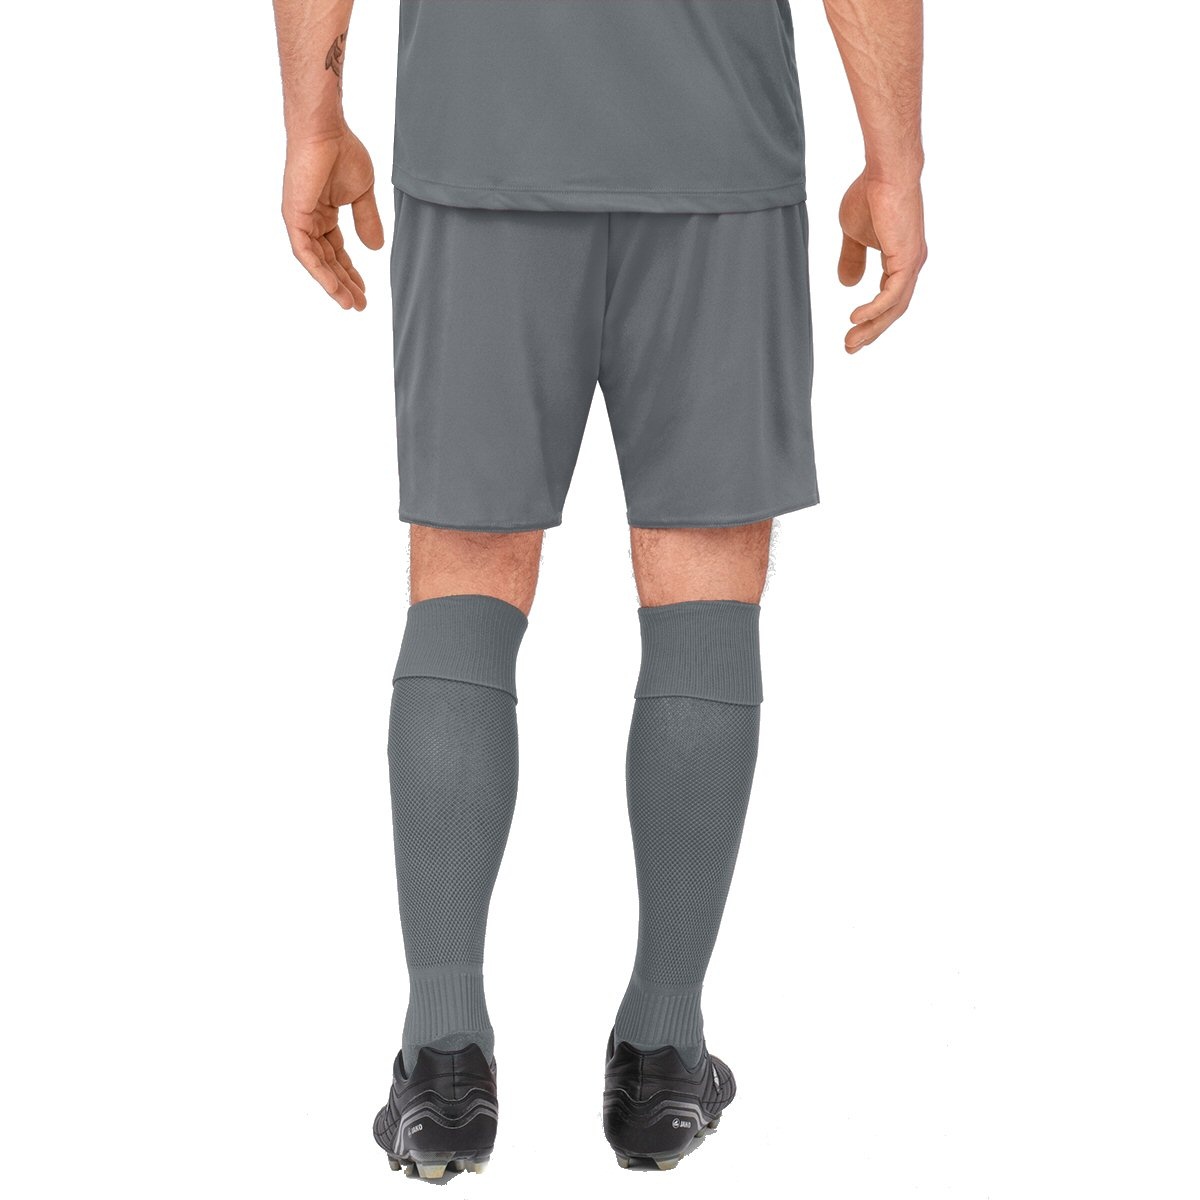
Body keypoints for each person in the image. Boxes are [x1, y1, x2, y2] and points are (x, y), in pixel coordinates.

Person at [273, 0, 926, 1178]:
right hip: (717, 145)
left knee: (466, 575)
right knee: (704, 584)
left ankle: (443, 1059)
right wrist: (896, 159)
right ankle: (665, 1053)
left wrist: (313, 116)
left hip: (481, 133)